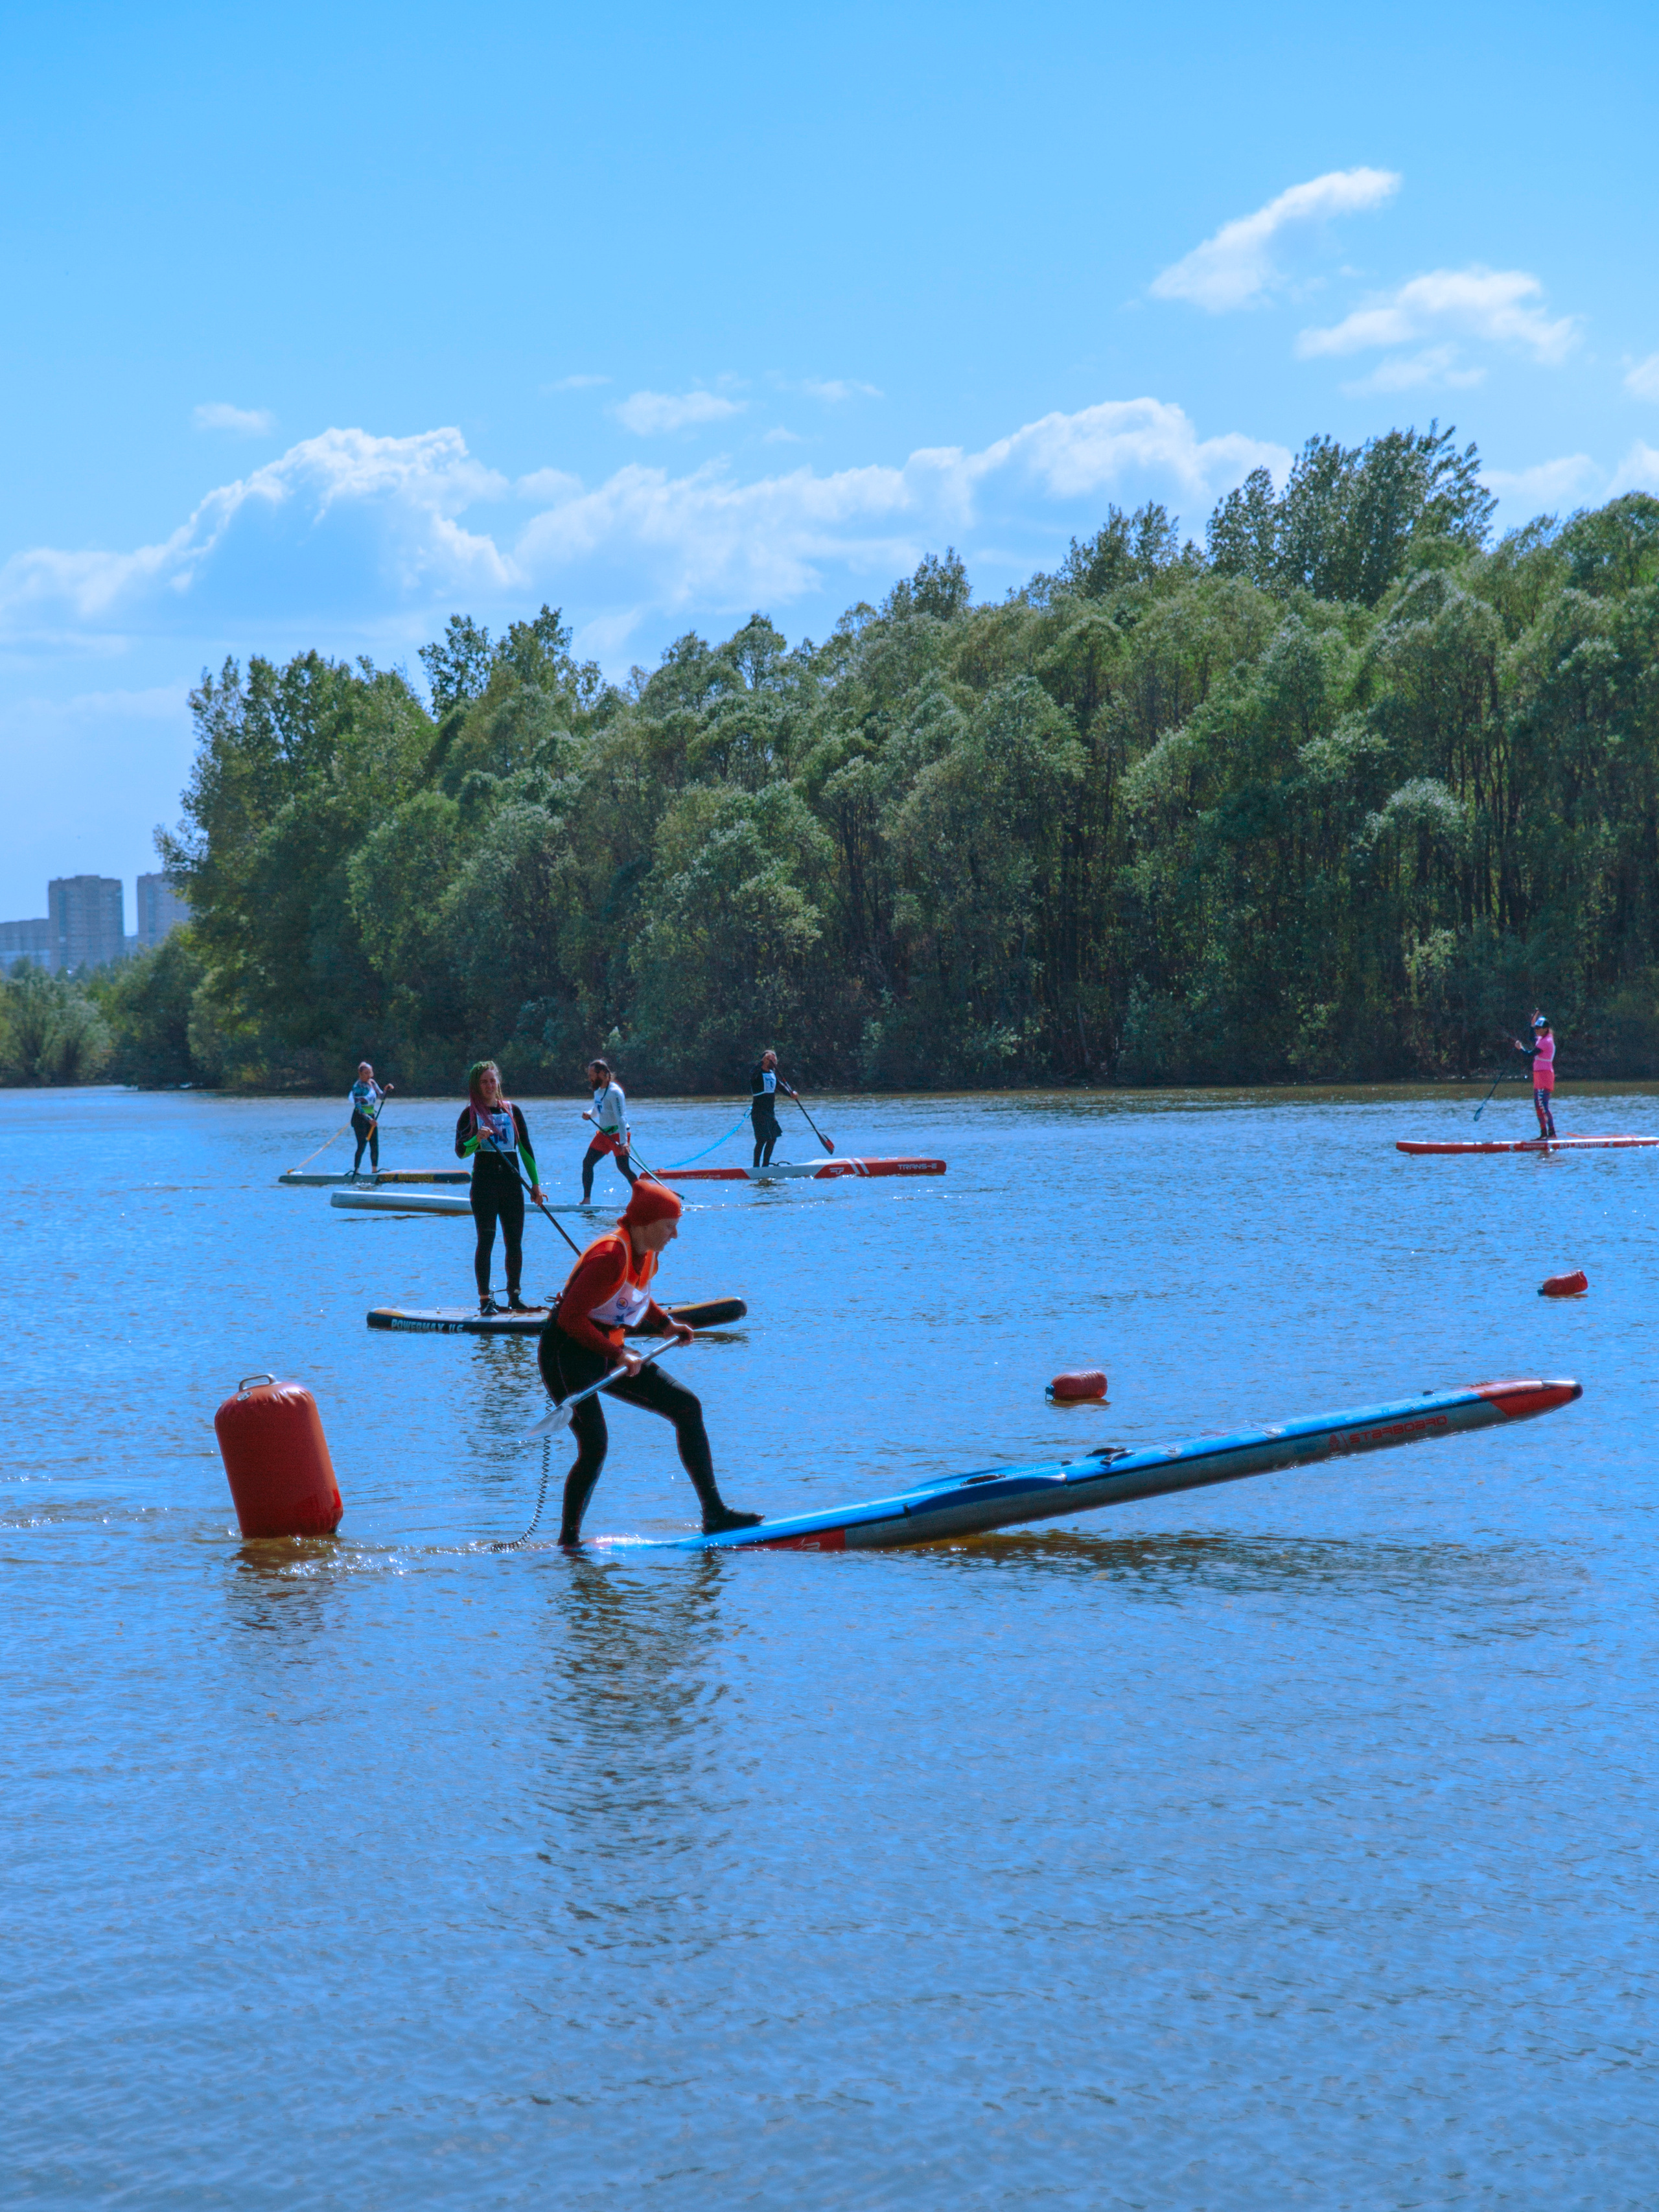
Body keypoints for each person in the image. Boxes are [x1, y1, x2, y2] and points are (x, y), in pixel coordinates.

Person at [539, 1177, 763, 1546]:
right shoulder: (609, 1256)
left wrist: (665, 1324)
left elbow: (633, 1298)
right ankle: (569, 1543)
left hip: (606, 1348)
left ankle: (715, 1515)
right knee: (594, 1447)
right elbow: (570, 1320)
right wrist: (618, 1354)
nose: (675, 1235)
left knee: (687, 1407)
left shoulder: (649, 1253)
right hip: (566, 1354)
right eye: (670, 1226)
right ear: (646, 1223)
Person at [454, 1060, 545, 1315]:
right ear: (476, 1085)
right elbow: (461, 1151)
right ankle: (486, 1300)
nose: (489, 1085)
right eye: (484, 1081)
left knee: (514, 1242)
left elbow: (526, 1149)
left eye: (492, 1080)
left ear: (498, 1083)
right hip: (484, 1185)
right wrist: (476, 1138)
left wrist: (535, 1185)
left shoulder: (512, 1111)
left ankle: (514, 1297)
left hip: (511, 1184)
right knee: (487, 1240)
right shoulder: (470, 1114)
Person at [580, 1057, 639, 1204]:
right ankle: (586, 1200)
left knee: (623, 1168)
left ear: (602, 1074)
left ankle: (641, 1197)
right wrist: (589, 1114)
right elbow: (597, 1110)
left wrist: (624, 1143)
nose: (590, 1078)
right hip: (604, 1135)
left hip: (618, 1134)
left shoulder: (615, 1092)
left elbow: (621, 1118)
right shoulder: (598, 1091)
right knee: (587, 1163)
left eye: (592, 1075)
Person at [748, 1048, 797, 1169]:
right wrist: (761, 1063)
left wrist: (791, 1094)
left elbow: (781, 1087)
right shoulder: (757, 1074)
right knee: (762, 1139)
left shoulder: (773, 1075)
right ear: (764, 1061)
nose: (773, 1063)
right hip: (759, 1112)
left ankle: (765, 1166)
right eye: (770, 1060)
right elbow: (752, 1074)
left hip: (770, 1113)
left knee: (773, 1139)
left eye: (775, 1060)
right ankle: (756, 1168)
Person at [1513, 1014, 1558, 1139]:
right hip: (1538, 1075)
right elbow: (1531, 1037)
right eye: (1536, 1028)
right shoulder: (1540, 1039)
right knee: (1538, 1106)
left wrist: (1520, 1048)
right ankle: (1544, 1134)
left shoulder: (1547, 1041)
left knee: (1543, 1105)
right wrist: (1532, 1024)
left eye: (1539, 1028)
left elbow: (1530, 1054)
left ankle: (1552, 1134)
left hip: (1545, 1075)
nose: (1537, 1030)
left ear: (1546, 1029)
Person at [347, 1062, 390, 1178]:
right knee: (362, 1144)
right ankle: (356, 1171)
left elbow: (381, 1096)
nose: (369, 1075)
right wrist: (369, 1119)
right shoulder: (357, 1087)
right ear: (360, 1073)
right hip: (360, 1118)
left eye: (370, 1073)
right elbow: (358, 1107)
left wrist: (386, 1090)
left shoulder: (372, 1083)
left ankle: (374, 1171)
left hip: (372, 1117)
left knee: (374, 1144)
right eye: (366, 1073)